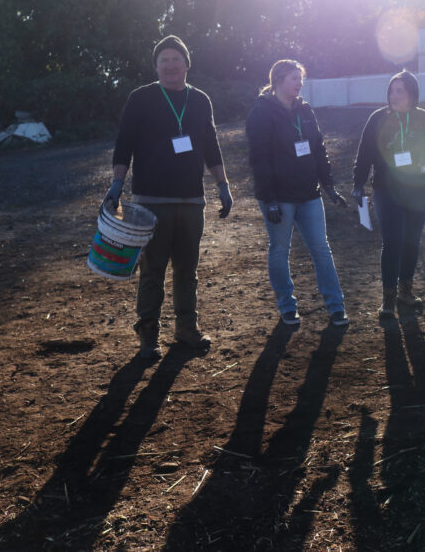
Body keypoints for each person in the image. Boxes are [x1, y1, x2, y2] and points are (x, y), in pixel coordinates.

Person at [105, 35, 232, 360]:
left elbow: (211, 144)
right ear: (156, 67)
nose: (171, 65)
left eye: (177, 59)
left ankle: (186, 329)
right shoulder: (141, 98)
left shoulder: (201, 100)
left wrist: (223, 185)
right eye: (164, 60)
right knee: (152, 270)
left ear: (187, 64)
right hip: (151, 202)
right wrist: (117, 184)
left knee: (188, 270)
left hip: (191, 201)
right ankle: (148, 333)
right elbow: (124, 143)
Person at [245, 60, 350, 327]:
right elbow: (259, 159)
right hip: (279, 197)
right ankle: (287, 307)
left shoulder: (305, 110)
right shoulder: (261, 113)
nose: (299, 83)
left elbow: (319, 149)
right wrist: (268, 200)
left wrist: (328, 187)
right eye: (294, 78)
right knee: (279, 250)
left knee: (321, 249)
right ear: (278, 80)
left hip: (309, 194)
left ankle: (336, 306)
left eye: (300, 78)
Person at [352, 70, 425, 318]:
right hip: (387, 190)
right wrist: (358, 183)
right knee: (392, 242)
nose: (393, 96)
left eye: (400, 91)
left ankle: (406, 292)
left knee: (411, 242)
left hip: (419, 191)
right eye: (391, 91)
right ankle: (388, 299)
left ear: (412, 95)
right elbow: (364, 153)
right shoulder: (378, 119)